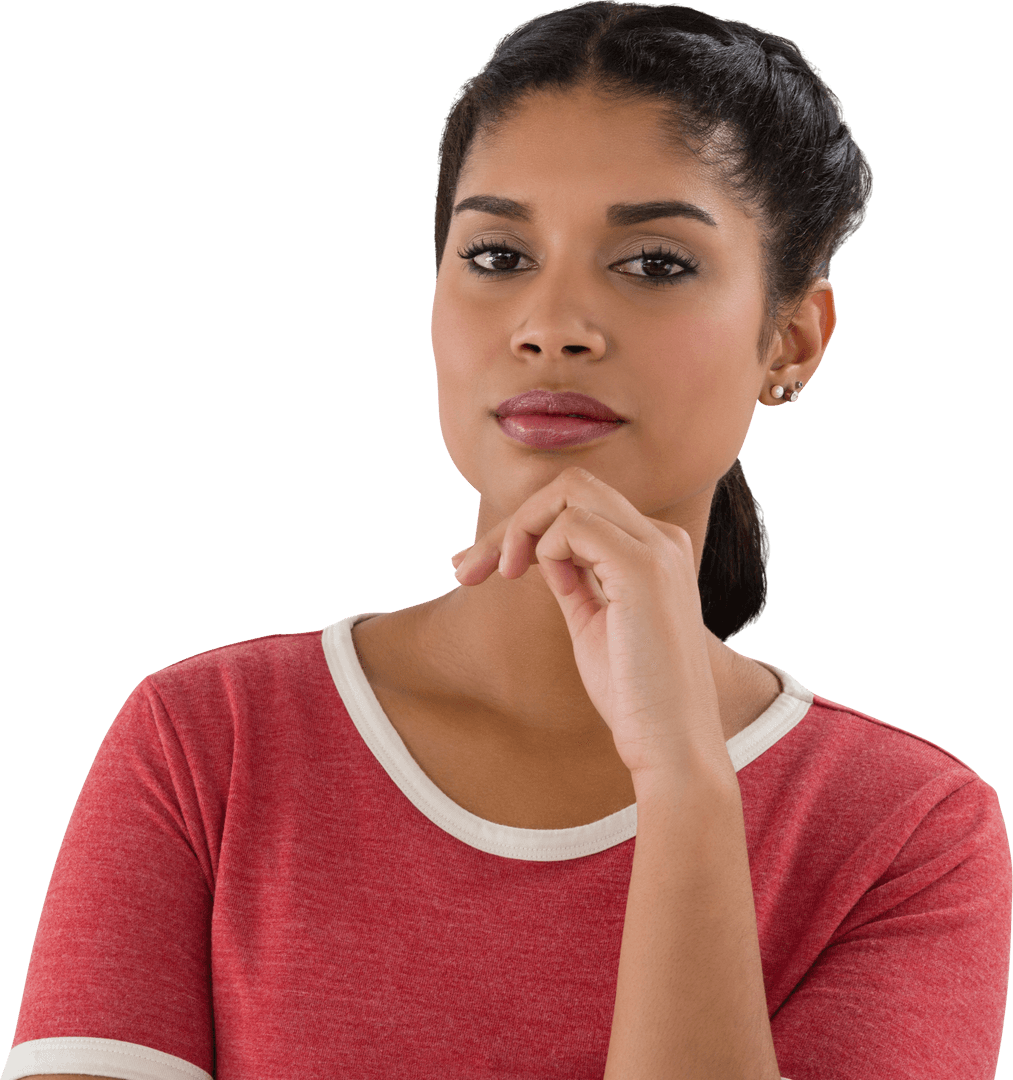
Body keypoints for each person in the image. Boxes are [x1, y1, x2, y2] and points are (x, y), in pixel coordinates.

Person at [5, 2, 1010, 1078]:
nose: (551, 322)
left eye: (654, 264)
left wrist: (682, 783)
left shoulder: (905, 832)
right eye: (495, 253)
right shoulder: (209, 744)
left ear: (790, 338)